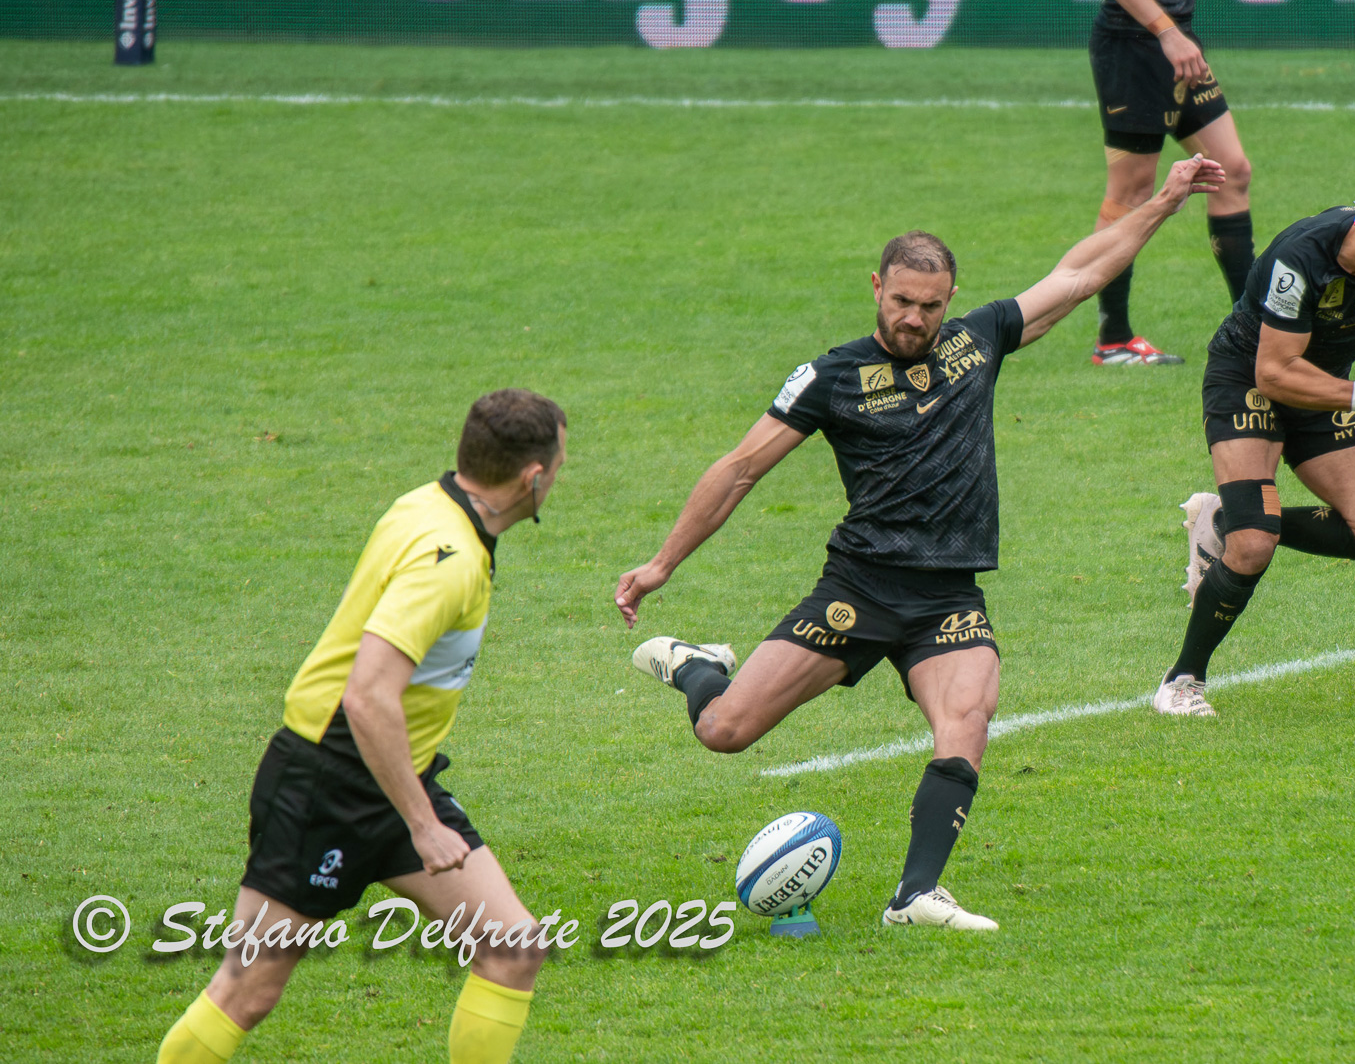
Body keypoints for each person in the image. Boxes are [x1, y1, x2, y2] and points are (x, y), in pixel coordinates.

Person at [615, 156, 1224, 929]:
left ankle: (914, 895)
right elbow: (738, 470)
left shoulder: (977, 344)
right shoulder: (831, 377)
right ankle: (697, 666)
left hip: (948, 597)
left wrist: (1165, 201)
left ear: (951, 300)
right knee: (725, 730)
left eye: (930, 305)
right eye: (902, 301)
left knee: (967, 716)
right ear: (876, 288)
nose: (914, 318)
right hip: (859, 590)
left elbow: (1076, 275)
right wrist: (662, 564)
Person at [158, 390, 568, 1064]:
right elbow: (367, 695)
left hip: (397, 770)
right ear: (533, 476)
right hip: (329, 781)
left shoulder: (427, 503)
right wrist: (422, 822)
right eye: (560, 460)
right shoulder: (451, 559)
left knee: (512, 947)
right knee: (245, 990)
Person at [1159, 179, 1355, 716]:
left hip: (1320, 385)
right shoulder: (1302, 255)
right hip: (1248, 376)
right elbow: (1273, 373)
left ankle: (1226, 518)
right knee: (1253, 546)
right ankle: (1181, 682)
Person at [1084, 0, 1255, 365]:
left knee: (1231, 171)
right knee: (1131, 193)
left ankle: (1251, 331)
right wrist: (1165, 32)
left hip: (1173, 43)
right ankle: (1113, 339)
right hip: (1137, 49)